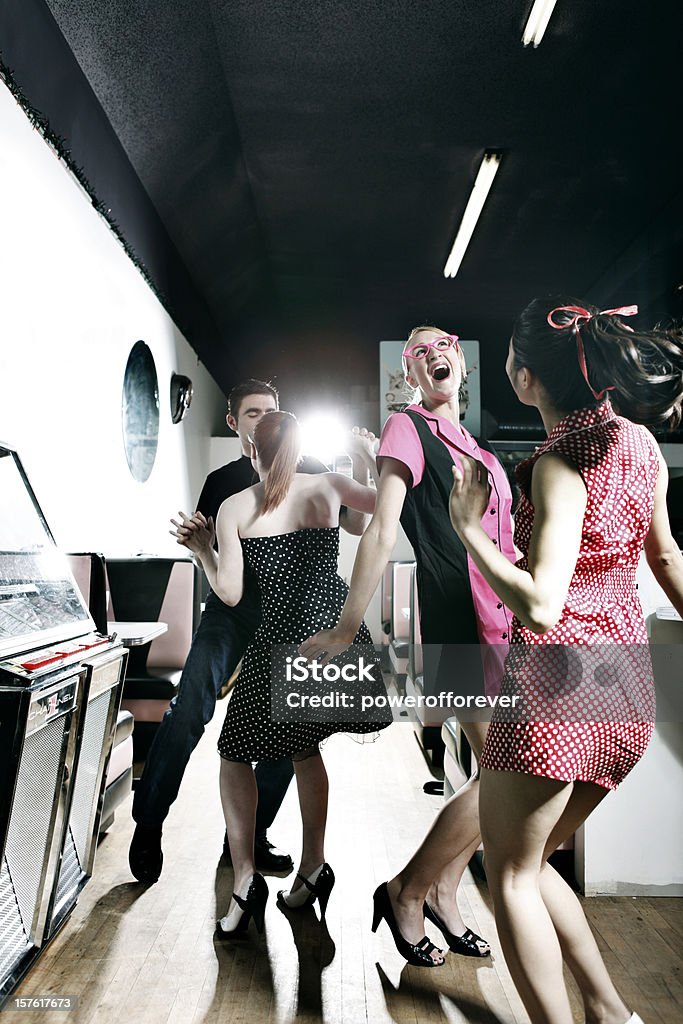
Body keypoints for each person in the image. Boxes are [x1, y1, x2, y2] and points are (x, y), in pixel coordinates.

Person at [447, 298, 683, 1024]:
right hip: (625, 694)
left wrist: (469, 531)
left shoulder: (556, 465)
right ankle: (611, 1013)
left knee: (508, 873)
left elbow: (542, 605)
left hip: (558, 688)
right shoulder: (640, 444)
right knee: (532, 859)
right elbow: (666, 555)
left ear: (523, 380)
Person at [301, 326, 516, 966]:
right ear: (410, 376)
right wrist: (346, 626)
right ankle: (407, 890)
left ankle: (442, 893)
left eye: (442, 345)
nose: (433, 355)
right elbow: (383, 530)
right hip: (457, 624)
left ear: (463, 363)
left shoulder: (476, 446)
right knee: (506, 777)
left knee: (495, 775)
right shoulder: (407, 429)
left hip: (502, 627)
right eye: (418, 352)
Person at [129, 379, 371, 884]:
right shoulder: (223, 486)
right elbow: (225, 576)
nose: (262, 420)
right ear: (235, 423)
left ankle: (247, 840)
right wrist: (201, 545)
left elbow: (356, 520)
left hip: (289, 616)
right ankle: (149, 822)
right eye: (253, 413)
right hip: (231, 612)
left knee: (289, 727)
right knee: (191, 702)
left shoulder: (315, 475)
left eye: (271, 412)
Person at [173, 410, 391, 937]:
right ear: (297, 450)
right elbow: (374, 518)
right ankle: (313, 867)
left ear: (253, 449)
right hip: (334, 632)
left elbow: (229, 593)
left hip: (281, 639)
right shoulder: (330, 484)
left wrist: (203, 548)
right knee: (305, 750)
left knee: (233, 752)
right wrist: (365, 461)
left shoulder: (234, 507)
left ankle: (246, 877)